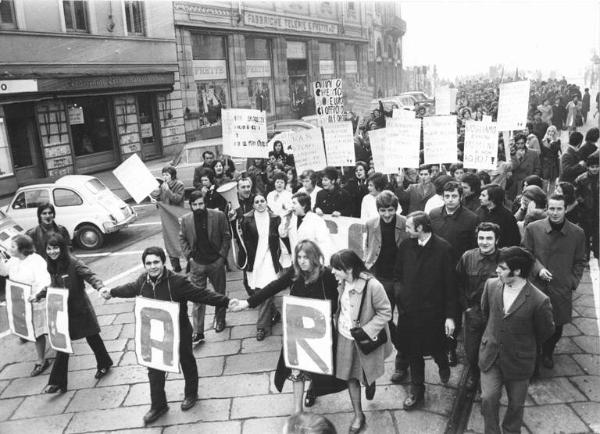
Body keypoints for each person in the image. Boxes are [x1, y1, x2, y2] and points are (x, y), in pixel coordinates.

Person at [102, 246, 237, 424]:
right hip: (156, 333)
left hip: (179, 331)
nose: (152, 266)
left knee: (186, 360)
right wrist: (112, 292)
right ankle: (158, 405)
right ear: (144, 265)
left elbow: (202, 294)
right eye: (148, 263)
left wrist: (227, 301)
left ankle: (191, 393)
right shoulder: (143, 280)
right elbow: (130, 288)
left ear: (163, 262)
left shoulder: (177, 282)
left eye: (156, 262)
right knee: (154, 368)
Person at [233, 241, 346, 414]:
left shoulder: (328, 274)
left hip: (321, 332)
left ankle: (313, 390)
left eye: (306, 257)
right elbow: (273, 287)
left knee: (318, 367)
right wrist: (247, 302)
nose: (301, 261)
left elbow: (344, 293)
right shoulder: (295, 274)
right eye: (299, 257)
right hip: (297, 331)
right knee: (297, 368)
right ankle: (297, 411)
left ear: (314, 257)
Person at [479, 247, 554, 434]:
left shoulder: (539, 300)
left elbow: (545, 331)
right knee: (488, 398)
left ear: (518, 271)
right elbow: (486, 312)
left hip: (519, 361)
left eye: (502, 268)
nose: (497, 271)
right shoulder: (491, 286)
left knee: (516, 405)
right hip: (491, 356)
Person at [393, 211, 457, 410]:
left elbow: (451, 286)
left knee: (437, 347)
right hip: (409, 311)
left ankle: (443, 365)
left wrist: (450, 316)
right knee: (413, 351)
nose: (406, 230)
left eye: (409, 227)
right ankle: (417, 390)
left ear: (420, 228)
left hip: (434, 313)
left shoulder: (444, 249)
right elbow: (398, 275)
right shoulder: (405, 246)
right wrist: (400, 296)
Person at [39, 234, 113, 393]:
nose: (52, 252)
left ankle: (104, 363)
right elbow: (53, 285)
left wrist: (101, 288)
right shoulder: (52, 265)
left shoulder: (74, 263)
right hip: (62, 311)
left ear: (62, 248)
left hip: (80, 309)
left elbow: (91, 276)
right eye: (49, 248)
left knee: (93, 338)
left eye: (55, 248)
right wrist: (39, 294)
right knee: (62, 345)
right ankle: (58, 382)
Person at [330, 249, 392, 434]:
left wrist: (365, 331)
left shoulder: (373, 286)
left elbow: (385, 312)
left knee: (365, 372)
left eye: (336, 269)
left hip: (364, 339)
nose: (332, 272)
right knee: (350, 377)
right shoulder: (341, 283)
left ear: (348, 268)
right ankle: (358, 415)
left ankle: (369, 380)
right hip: (344, 337)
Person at [522, 194, 586, 369]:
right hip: (536, 286)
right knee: (533, 322)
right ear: (546, 209)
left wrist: (572, 281)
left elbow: (580, 260)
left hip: (561, 287)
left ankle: (548, 351)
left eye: (559, 209)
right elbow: (526, 253)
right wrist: (538, 269)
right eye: (551, 208)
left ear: (566, 209)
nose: (555, 212)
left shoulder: (577, 233)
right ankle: (534, 356)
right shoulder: (533, 228)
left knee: (556, 325)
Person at [430, 180, 479, 366]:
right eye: (447, 196)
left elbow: (474, 248)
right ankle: (437, 344)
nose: (450, 200)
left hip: (458, 274)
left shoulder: (471, 218)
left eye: (454, 196)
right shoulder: (434, 215)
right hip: (436, 272)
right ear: (442, 196)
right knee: (436, 309)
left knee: (454, 313)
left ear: (461, 197)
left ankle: (451, 348)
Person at [364, 190, 409, 383]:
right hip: (381, 278)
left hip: (402, 278)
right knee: (385, 319)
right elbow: (367, 248)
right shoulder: (371, 224)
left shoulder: (406, 223)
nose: (387, 214)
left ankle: (402, 363)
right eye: (383, 210)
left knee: (406, 318)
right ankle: (404, 346)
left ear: (396, 208)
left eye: (390, 210)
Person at [179, 190, 231, 343]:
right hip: (197, 264)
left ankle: (220, 320)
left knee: (219, 294)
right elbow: (182, 238)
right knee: (197, 298)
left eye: (201, 203)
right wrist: (190, 258)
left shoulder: (218, 216)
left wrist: (222, 257)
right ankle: (198, 331)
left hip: (216, 262)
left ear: (205, 203)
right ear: (191, 206)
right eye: (195, 205)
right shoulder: (186, 220)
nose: (198, 207)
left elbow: (226, 236)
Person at [456, 222, 501, 391]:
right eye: (481, 238)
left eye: (489, 238)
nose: (484, 242)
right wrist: (466, 308)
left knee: (494, 347)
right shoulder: (468, 257)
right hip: (473, 311)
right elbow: (458, 283)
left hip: (496, 312)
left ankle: (491, 377)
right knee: (471, 348)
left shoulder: (505, 258)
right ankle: (474, 373)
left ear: (497, 240)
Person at [0, 234, 51, 376]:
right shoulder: (14, 260)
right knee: (37, 330)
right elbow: (4, 272)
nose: (9, 248)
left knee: (39, 331)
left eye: (13, 246)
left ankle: (41, 361)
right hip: (22, 302)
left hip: (36, 301)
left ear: (22, 248)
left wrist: (37, 295)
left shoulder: (36, 261)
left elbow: (45, 280)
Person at [240, 193, 282, 341]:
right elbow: (242, 241)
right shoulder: (246, 219)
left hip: (270, 259)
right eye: (256, 202)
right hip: (255, 260)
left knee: (265, 291)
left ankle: (261, 327)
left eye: (262, 201)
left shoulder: (275, 218)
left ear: (266, 202)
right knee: (255, 290)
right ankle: (275, 313)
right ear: (253, 205)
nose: (260, 204)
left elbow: (281, 237)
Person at [279, 192, 332, 264]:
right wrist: (286, 220)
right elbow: (282, 234)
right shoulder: (291, 219)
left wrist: (321, 264)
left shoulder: (316, 220)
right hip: (296, 262)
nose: (292, 206)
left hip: (312, 263)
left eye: (294, 203)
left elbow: (324, 244)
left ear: (303, 205)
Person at [151, 166, 185, 272]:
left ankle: (190, 261)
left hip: (176, 215)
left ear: (172, 175)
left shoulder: (179, 184)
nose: (165, 177)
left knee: (181, 239)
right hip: (166, 217)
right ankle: (176, 265)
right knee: (169, 241)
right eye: (163, 174)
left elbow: (177, 199)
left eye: (167, 174)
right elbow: (162, 201)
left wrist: (168, 190)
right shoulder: (162, 186)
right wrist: (156, 201)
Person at [575, 152, 599, 259]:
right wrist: (583, 202)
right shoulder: (581, 179)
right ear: (588, 167)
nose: (595, 169)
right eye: (592, 167)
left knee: (597, 233)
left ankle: (597, 252)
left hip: (598, 211)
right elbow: (576, 194)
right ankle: (585, 254)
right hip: (585, 211)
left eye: (597, 167)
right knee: (585, 233)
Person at [508, 134, 541, 202]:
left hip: (528, 182)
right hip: (515, 184)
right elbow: (510, 168)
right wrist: (516, 157)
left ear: (525, 143)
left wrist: (533, 180)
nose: (520, 146)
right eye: (518, 144)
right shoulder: (511, 153)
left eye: (522, 143)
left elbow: (538, 168)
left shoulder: (533, 153)